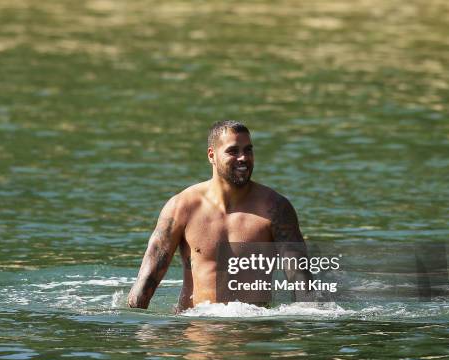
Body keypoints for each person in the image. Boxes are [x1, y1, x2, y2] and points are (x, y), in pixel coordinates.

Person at [128, 120, 312, 311]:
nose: (243, 158)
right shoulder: (181, 207)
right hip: (196, 330)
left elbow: (301, 280)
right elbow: (147, 279)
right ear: (211, 155)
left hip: (254, 331)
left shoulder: (275, 208)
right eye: (233, 151)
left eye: (248, 150)